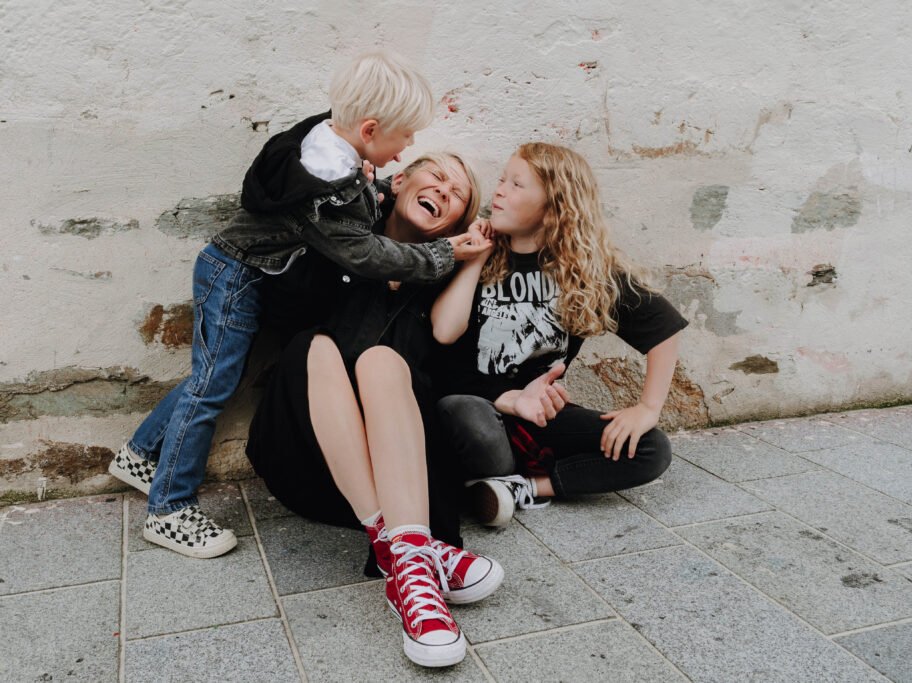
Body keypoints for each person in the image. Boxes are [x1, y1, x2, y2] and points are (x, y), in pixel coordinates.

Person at [107, 51, 488, 558]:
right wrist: (442, 252)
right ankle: (169, 508)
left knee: (221, 374)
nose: (409, 148)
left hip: (247, 270)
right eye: (405, 137)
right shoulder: (326, 186)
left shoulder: (331, 151)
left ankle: (140, 454)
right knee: (212, 383)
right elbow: (362, 250)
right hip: (238, 273)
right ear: (370, 130)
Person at [246, 152, 503, 668]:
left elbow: (448, 337)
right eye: (438, 176)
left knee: (385, 362)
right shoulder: (341, 236)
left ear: (454, 225)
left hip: (398, 482)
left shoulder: (435, 281)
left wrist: (468, 260)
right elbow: (276, 305)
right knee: (312, 347)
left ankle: (404, 560)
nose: (446, 191)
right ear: (401, 180)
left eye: (458, 195)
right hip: (305, 454)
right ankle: (422, 553)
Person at [430, 142, 688, 527]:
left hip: (539, 419)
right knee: (464, 411)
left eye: (517, 184)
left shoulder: (584, 272)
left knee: (652, 448)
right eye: (502, 180)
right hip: (478, 409)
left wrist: (647, 409)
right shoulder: (476, 249)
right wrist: (476, 257)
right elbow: (443, 336)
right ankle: (488, 481)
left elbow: (663, 328)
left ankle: (524, 488)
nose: (499, 190)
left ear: (554, 208)